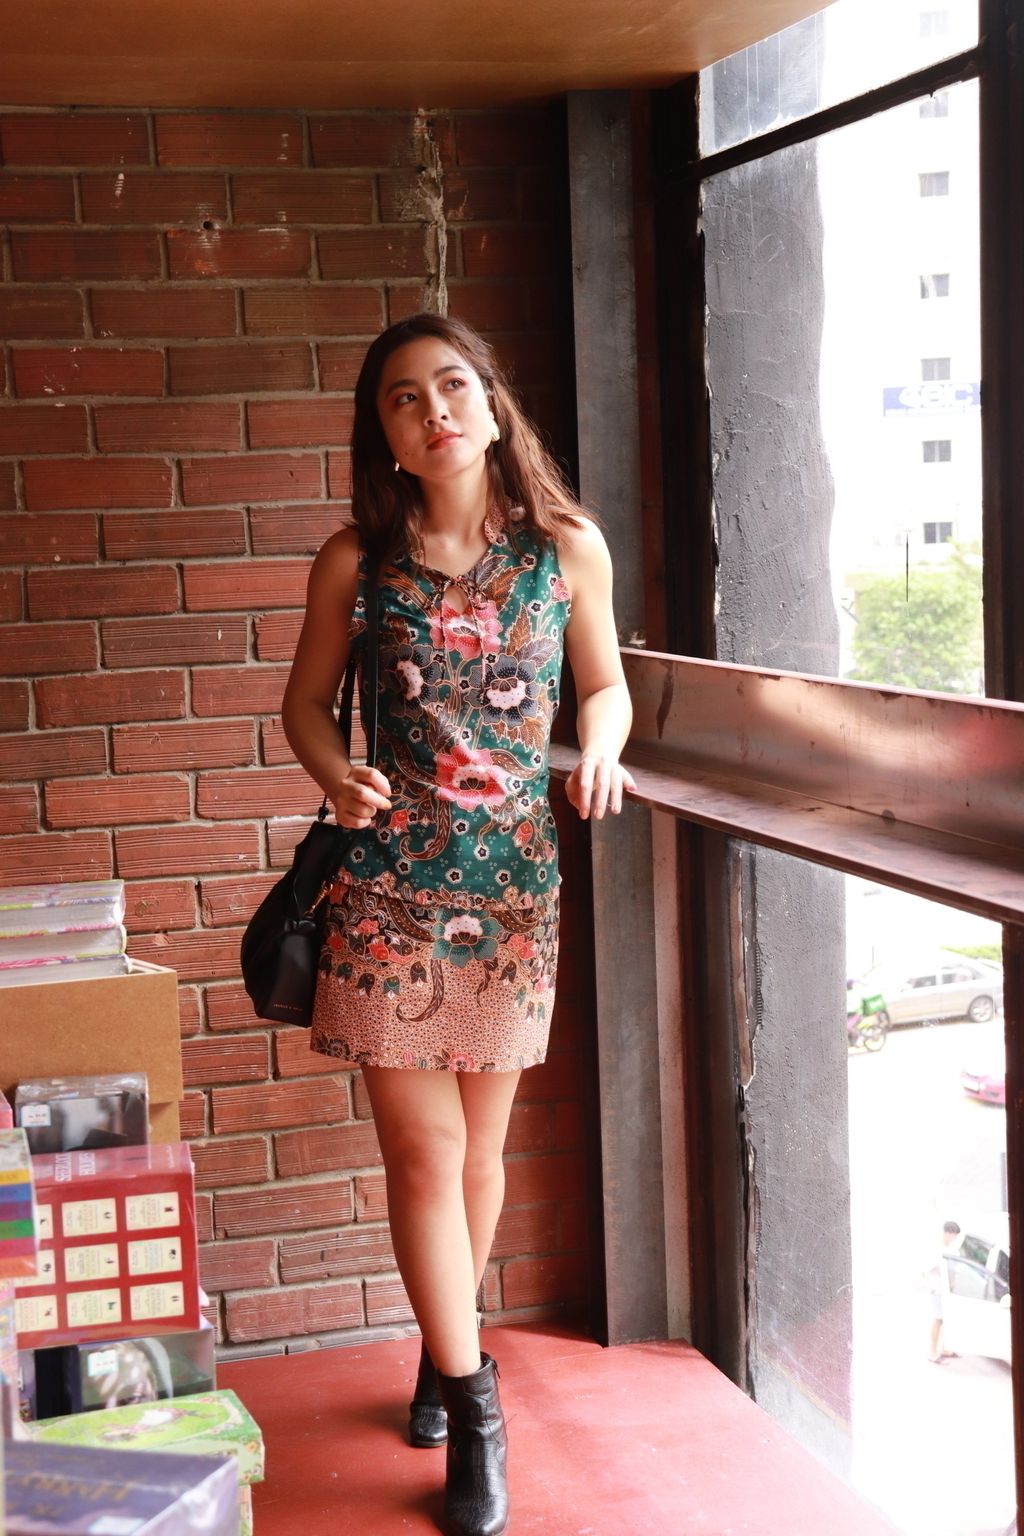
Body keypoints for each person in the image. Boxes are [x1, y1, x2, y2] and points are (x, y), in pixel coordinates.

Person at [281, 312, 635, 1536]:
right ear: (383, 434)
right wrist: (335, 774)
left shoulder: (567, 548)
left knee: (481, 1158)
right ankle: (476, 1405)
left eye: (451, 386)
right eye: (401, 397)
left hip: (514, 891)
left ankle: (443, 1354)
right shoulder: (355, 562)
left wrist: (602, 749)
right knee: (426, 1158)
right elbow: (305, 705)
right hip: (387, 889)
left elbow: (604, 682)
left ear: (490, 404)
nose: (432, 409)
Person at [923, 1219, 962, 1363]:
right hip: (937, 1290)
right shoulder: (936, 1250)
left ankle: (944, 1348)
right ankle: (933, 1353)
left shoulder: (952, 1250)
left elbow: (954, 1272)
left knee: (945, 1319)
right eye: (954, 1235)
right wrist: (933, 1286)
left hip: (947, 1291)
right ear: (947, 1233)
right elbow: (925, 1271)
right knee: (938, 1319)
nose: (955, 1238)